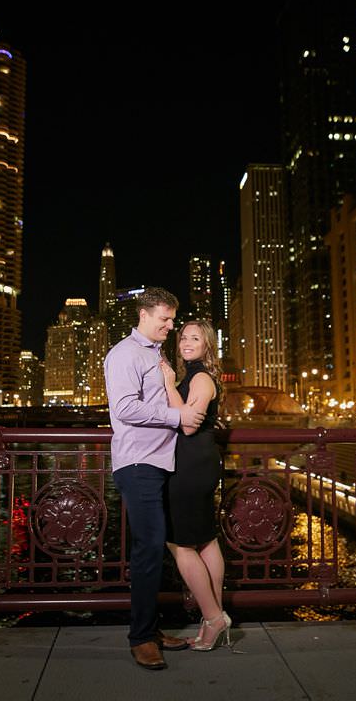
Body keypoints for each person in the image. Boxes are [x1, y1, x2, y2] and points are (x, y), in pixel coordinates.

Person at [104, 287, 205, 671]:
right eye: (164, 318)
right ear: (144, 315)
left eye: (172, 318)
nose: (170, 324)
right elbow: (126, 408)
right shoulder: (125, 354)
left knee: (154, 549)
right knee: (148, 549)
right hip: (138, 463)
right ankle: (141, 638)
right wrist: (176, 417)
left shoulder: (152, 353)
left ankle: (151, 628)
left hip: (158, 461)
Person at [159, 320, 232, 651]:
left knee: (179, 544)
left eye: (195, 338)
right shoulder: (194, 374)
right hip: (198, 464)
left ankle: (214, 617)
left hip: (190, 466)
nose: (187, 342)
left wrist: (168, 384)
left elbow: (188, 426)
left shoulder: (200, 377)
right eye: (183, 337)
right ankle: (212, 618)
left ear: (207, 346)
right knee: (205, 541)